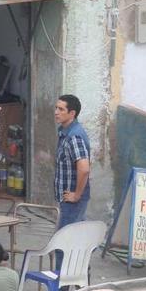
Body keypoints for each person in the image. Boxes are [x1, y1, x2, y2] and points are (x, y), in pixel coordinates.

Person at [54, 94, 91, 230]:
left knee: (64, 244)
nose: (56, 112)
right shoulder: (65, 132)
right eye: (56, 108)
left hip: (72, 201)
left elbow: (84, 168)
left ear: (72, 113)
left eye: (61, 109)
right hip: (67, 200)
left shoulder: (74, 136)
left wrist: (76, 195)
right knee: (74, 237)